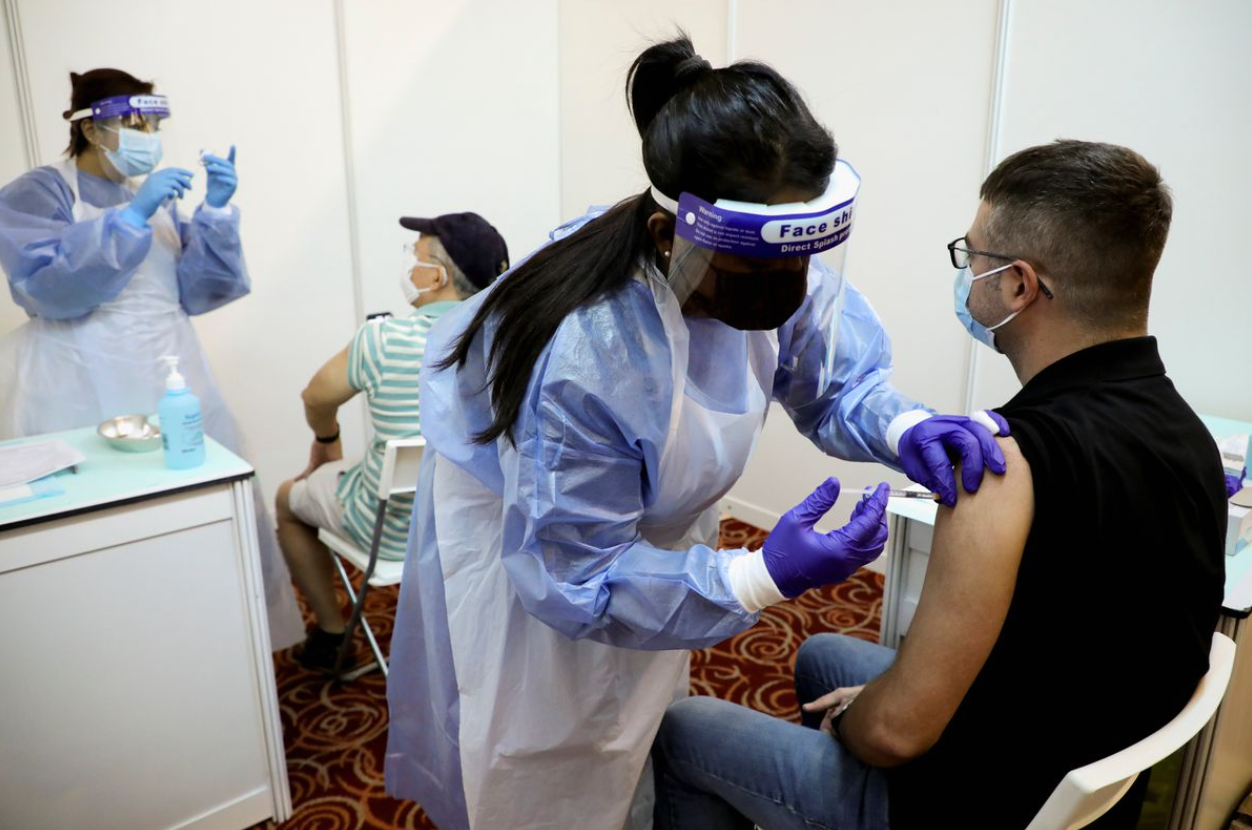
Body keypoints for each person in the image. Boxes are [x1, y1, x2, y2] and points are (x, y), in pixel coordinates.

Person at [384, 36, 1010, 830]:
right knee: (550, 760)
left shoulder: (764, 248)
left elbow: (837, 379)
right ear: (666, 237)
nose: (787, 294)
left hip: (648, 552)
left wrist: (907, 425)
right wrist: (757, 576)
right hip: (541, 554)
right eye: (755, 277)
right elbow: (574, 575)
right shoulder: (593, 354)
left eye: (799, 268)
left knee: (635, 730)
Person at [650, 140, 1227, 830]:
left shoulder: (1003, 466)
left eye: (973, 256)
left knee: (683, 731)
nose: (965, 272)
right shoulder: (1191, 436)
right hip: (1075, 758)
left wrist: (860, 722)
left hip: (977, 803)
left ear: (1018, 284)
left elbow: (895, 736)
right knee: (820, 655)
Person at [0, 68, 304, 649]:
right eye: (133, 121)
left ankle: (224, 648)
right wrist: (130, 218)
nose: (148, 133)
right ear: (92, 129)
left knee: (213, 505)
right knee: (111, 530)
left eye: (155, 121)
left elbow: (200, 290)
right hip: (79, 378)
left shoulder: (157, 194)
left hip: (173, 370)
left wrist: (214, 213)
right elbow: (50, 288)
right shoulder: (40, 193)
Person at [275, 213, 508, 672]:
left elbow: (315, 397)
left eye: (414, 255)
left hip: (395, 535)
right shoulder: (510, 343)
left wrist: (327, 439)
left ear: (437, 277)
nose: (407, 263)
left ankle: (330, 633)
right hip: (483, 531)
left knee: (286, 499)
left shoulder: (382, 340)